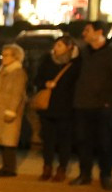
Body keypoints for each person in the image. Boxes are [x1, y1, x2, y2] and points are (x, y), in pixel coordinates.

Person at [71, 20, 112, 189]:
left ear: (98, 32)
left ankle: (106, 175)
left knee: (103, 142)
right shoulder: (84, 53)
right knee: (83, 141)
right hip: (82, 104)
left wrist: (109, 101)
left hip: (102, 107)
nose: (84, 34)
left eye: (87, 30)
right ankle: (85, 174)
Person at [32, 35, 81, 182]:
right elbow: (37, 79)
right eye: (55, 45)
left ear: (69, 47)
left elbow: (78, 84)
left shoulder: (76, 63)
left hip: (66, 107)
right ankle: (47, 167)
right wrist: (45, 84)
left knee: (64, 140)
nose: (55, 48)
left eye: (59, 45)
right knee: (48, 139)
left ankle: (62, 168)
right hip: (47, 106)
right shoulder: (47, 60)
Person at [0, 44, 28, 177]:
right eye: (2, 55)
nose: (3, 58)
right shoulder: (4, 71)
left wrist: (11, 110)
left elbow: (17, 93)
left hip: (9, 110)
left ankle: (10, 169)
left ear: (15, 57)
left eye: (6, 55)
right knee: (2, 139)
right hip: (0, 109)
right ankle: (5, 166)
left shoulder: (18, 73)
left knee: (9, 140)